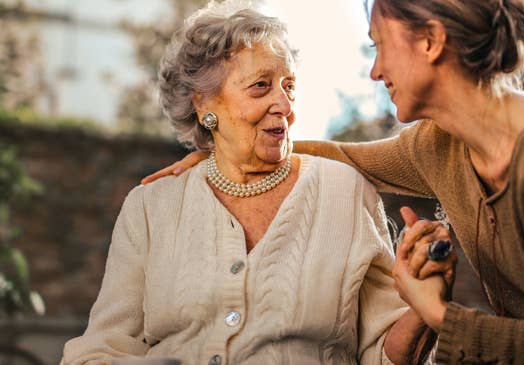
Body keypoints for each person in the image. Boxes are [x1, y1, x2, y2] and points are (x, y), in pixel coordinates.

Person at [143, 0, 524, 363]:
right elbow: (343, 156)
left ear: (430, 41)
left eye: (379, 46)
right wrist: (224, 153)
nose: (375, 71)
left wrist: (442, 317)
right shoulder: (440, 144)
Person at [62, 2, 457, 365]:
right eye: (261, 86)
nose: (285, 106)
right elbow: (102, 349)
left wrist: (425, 307)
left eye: (289, 86)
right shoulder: (151, 206)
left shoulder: (345, 192)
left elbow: (381, 354)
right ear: (204, 104)